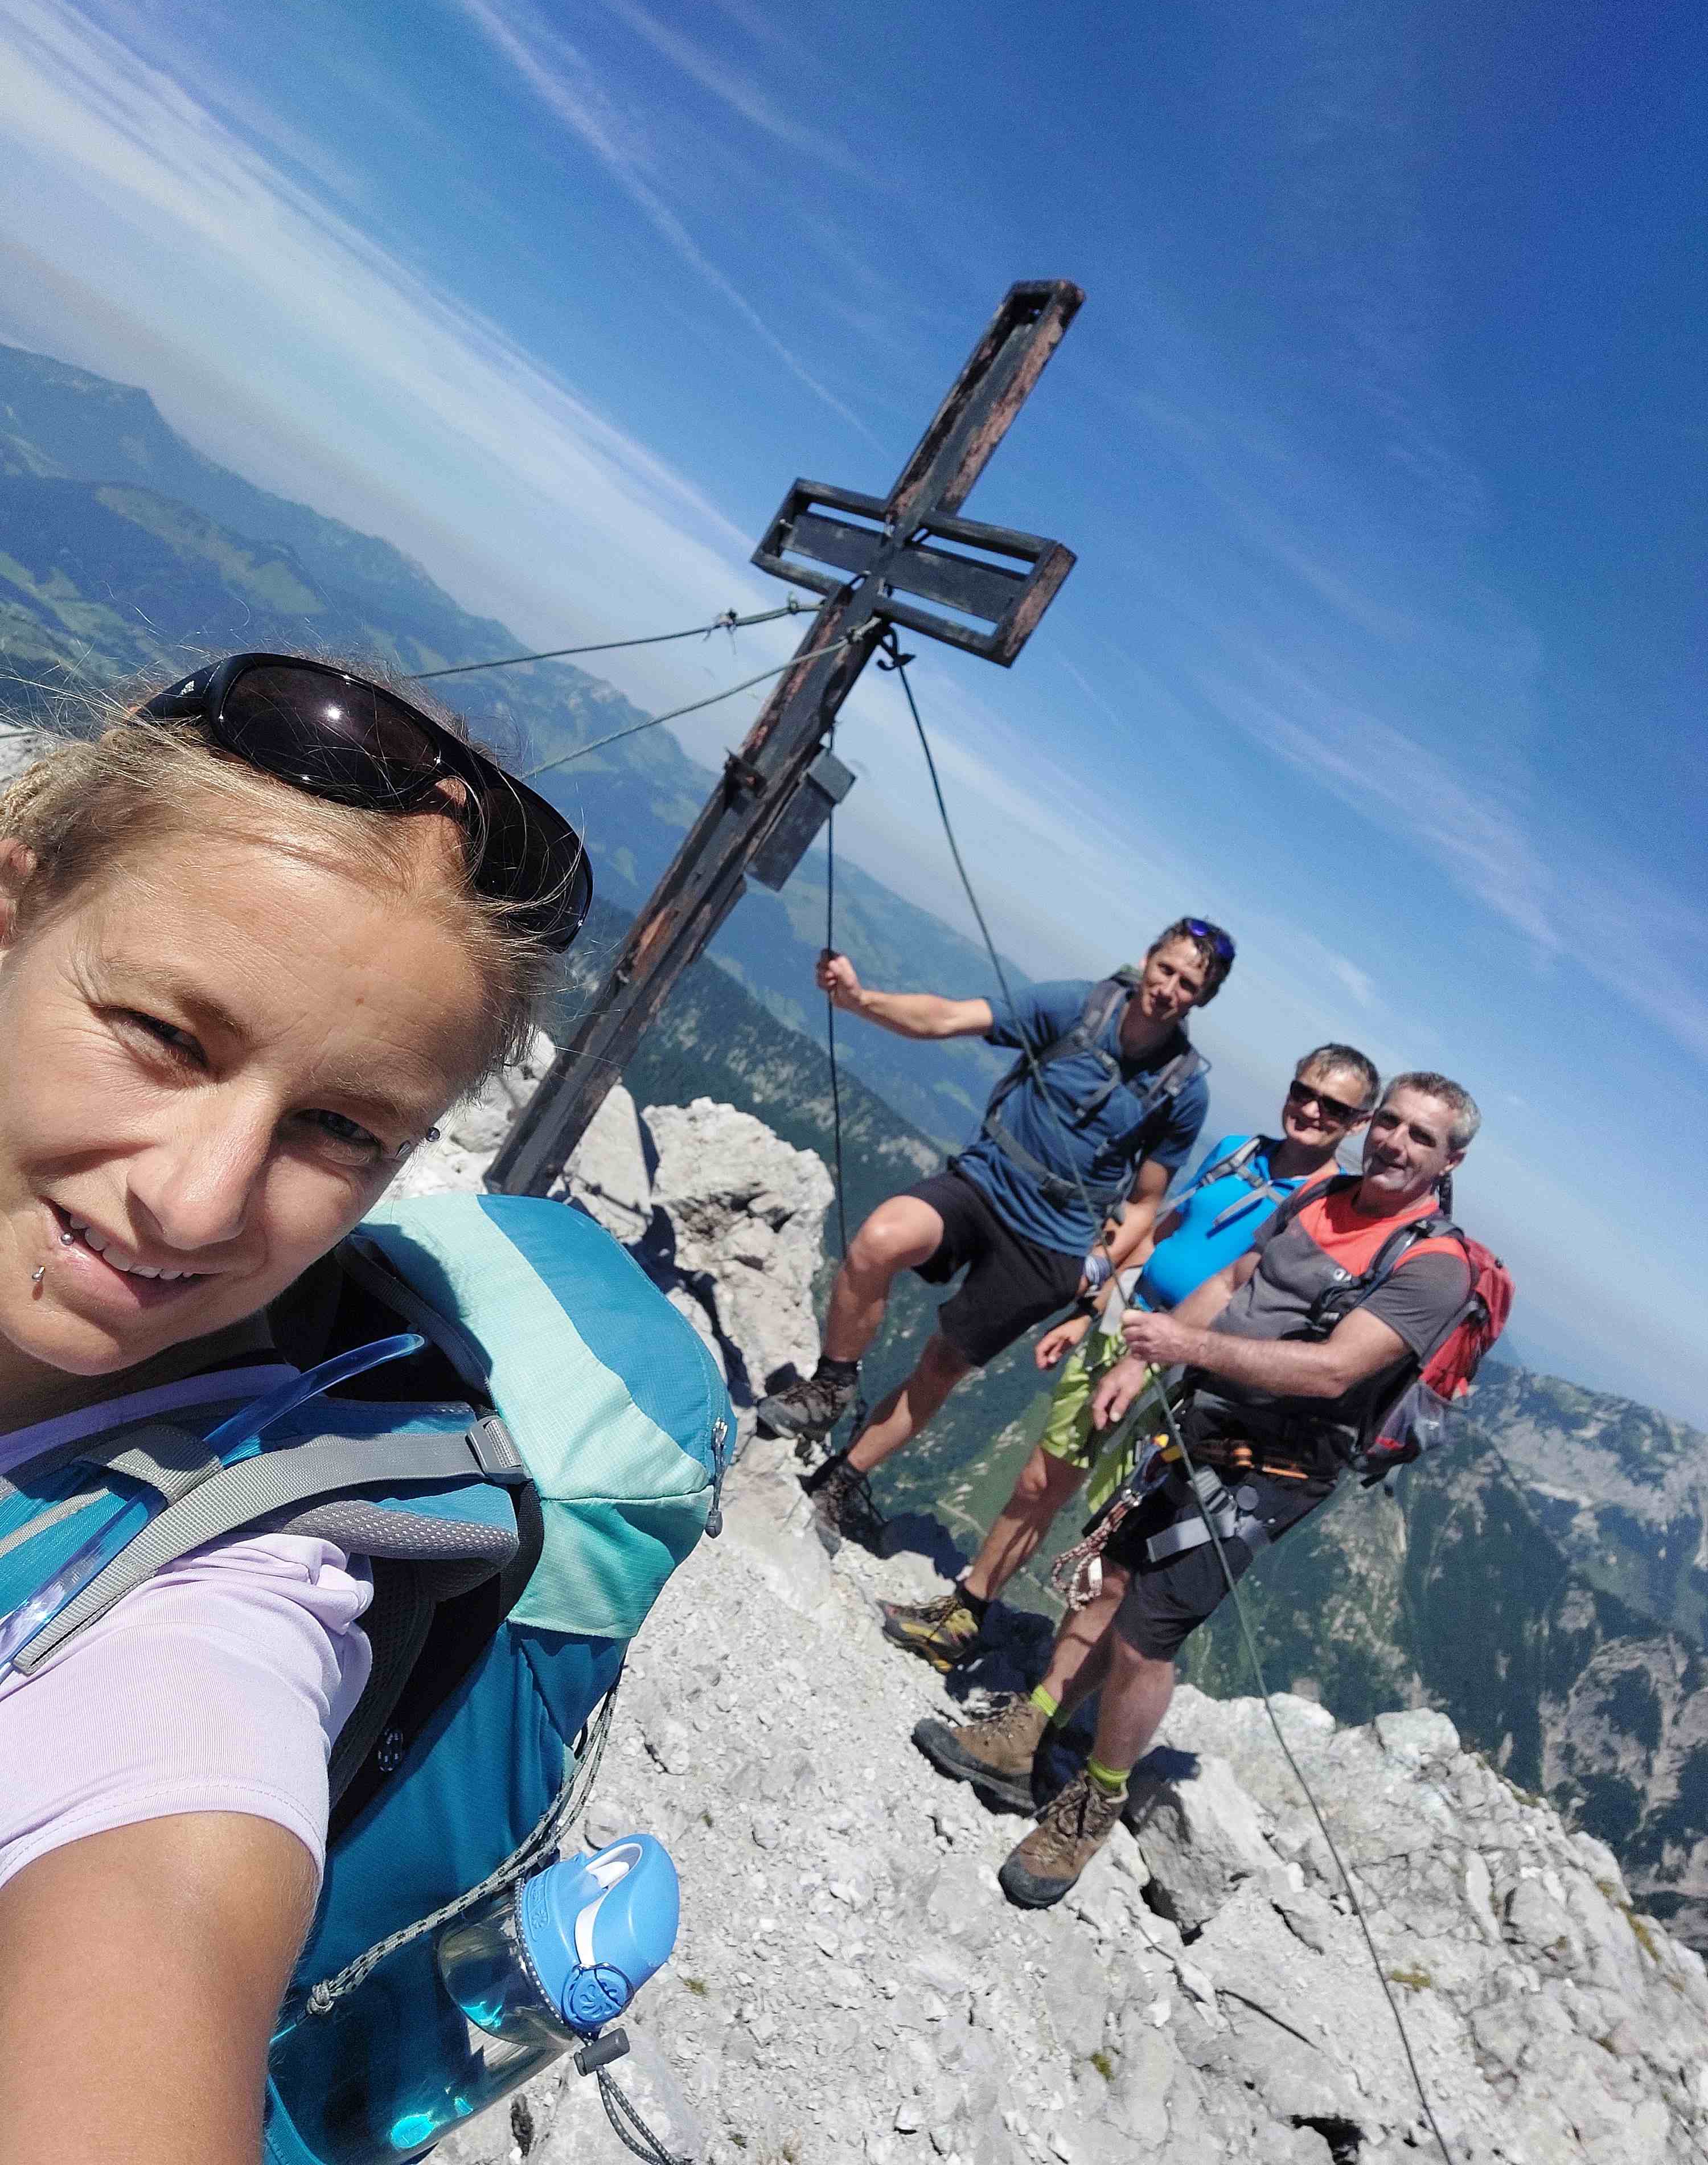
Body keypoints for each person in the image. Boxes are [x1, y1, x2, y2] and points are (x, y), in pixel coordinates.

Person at [0, 655, 718, 2163]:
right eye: (168, 1036)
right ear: (15, 904)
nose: (198, 1202)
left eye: (338, 1127)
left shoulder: (225, 1609)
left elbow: (163, 1876)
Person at [914, 1071, 1482, 1908]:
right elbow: (1233, 1284)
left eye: (1420, 1136)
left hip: (1271, 1473)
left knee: (1147, 1636)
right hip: (1199, 1423)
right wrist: (1147, 1361)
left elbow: (1334, 1371)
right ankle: (1028, 1731)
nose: (1395, 1142)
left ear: (1450, 1160)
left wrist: (1185, 1348)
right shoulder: (1322, 1198)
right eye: (1391, 1122)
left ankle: (1093, 1804)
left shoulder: (1434, 1268)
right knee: (1109, 1580)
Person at [880, 1045, 1379, 1670]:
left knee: (1113, 1526)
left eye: (1334, 1106)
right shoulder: (1237, 1151)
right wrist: (1089, 1311)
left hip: (1189, 1369)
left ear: (1358, 1123)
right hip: (1127, 1324)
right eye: (1304, 1091)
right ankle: (966, 1614)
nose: (1311, 1110)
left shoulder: (1325, 1205)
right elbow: (1162, 1232)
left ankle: (1050, 1694)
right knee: (1041, 1480)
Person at [757, 921, 1235, 1544]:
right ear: (1147, 959)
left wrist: (1095, 1269)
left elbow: (1147, 1202)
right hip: (986, 1181)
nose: (1169, 989)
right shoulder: (1078, 1005)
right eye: (1166, 969)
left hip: (1055, 1243)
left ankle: (839, 1481)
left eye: (1188, 984)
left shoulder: (1183, 1090)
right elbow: (949, 1017)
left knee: (942, 1365)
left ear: (1203, 999)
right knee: (879, 1240)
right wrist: (860, 1000)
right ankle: (831, 1386)